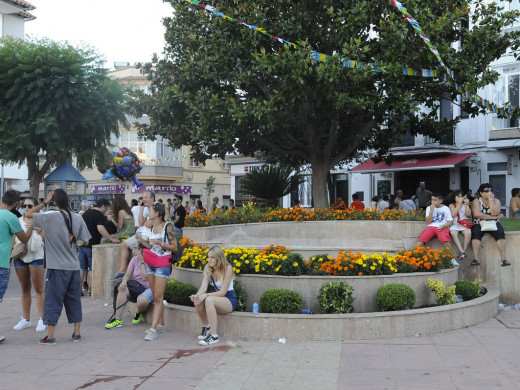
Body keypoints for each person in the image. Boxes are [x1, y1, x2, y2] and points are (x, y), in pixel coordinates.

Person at [26, 189, 91, 345]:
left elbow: (29, 214)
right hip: (74, 267)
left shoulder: (50, 217)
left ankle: (51, 336)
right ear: (68, 200)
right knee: (74, 299)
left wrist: (44, 202)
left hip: (57, 267)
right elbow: (87, 241)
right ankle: (76, 333)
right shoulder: (77, 218)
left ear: (54, 201)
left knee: (53, 300)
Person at [135, 202, 176, 341]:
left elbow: (174, 247)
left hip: (163, 264)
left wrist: (161, 243)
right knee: (157, 296)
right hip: (152, 262)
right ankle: (161, 324)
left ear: (157, 213)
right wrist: (141, 240)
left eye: (150, 211)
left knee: (158, 297)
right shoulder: (153, 226)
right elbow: (151, 247)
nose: (148, 213)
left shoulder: (167, 226)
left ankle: (153, 329)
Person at [0, 189, 35, 344]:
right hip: (2, 264)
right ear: (15, 204)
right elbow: (24, 239)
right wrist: (32, 226)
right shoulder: (10, 217)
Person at [190, 246, 238, 346]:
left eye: (212, 257)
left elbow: (223, 292)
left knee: (208, 300)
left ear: (218, 258)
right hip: (215, 297)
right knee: (198, 300)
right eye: (208, 257)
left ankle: (214, 335)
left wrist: (206, 295)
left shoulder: (227, 269)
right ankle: (206, 327)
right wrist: (198, 295)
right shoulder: (208, 267)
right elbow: (204, 285)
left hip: (228, 300)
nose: (209, 260)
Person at [12, 197, 46, 333]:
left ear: (36, 207)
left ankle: (42, 319)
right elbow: (13, 239)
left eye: (29, 205)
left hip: (36, 256)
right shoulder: (18, 221)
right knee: (25, 288)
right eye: (23, 205)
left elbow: (45, 239)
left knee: (39, 289)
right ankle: (26, 319)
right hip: (20, 256)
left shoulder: (41, 220)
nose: (26, 208)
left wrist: (37, 229)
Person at [105, 245, 153, 329]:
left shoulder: (151, 260)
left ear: (142, 250)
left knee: (141, 301)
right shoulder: (134, 259)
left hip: (150, 288)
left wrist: (141, 262)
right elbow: (127, 274)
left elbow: (144, 277)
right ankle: (118, 319)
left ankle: (139, 313)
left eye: (135, 248)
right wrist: (123, 282)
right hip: (138, 286)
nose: (133, 250)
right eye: (133, 247)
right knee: (122, 288)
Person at [112, 191, 155, 280]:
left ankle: (126, 272)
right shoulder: (146, 208)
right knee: (128, 247)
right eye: (143, 197)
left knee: (129, 248)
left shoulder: (155, 208)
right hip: (142, 233)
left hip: (149, 235)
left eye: (146, 197)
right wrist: (141, 210)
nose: (143, 199)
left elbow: (147, 225)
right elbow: (140, 223)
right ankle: (125, 271)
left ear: (152, 198)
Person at [80, 198, 118, 295]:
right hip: (92, 246)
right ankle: (90, 290)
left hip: (81, 244)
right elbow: (100, 229)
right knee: (92, 268)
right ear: (103, 206)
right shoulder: (99, 215)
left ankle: (78, 290)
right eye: (107, 208)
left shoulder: (86, 213)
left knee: (82, 268)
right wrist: (112, 239)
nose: (106, 210)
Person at [470, 183, 510, 267]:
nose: (489, 192)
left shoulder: (496, 200)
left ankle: (503, 259)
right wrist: (493, 217)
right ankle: (475, 259)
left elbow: (496, 212)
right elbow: (477, 214)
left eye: (490, 190)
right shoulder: (476, 201)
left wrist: (491, 200)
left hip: (494, 223)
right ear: (481, 193)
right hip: (479, 222)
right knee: (476, 233)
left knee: (500, 233)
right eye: (486, 191)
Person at [416, 194, 454, 262]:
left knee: (445, 240)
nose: (432, 202)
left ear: (441, 201)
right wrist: (431, 211)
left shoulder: (446, 208)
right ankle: (417, 258)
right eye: (432, 200)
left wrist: (444, 226)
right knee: (420, 241)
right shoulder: (429, 208)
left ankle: (450, 259)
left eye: (435, 200)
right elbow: (428, 222)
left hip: (442, 227)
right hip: (431, 227)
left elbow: (450, 222)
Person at [449, 190, 472, 261]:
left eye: (461, 196)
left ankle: (463, 252)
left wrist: (467, 205)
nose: (460, 198)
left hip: (464, 223)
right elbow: (453, 214)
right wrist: (459, 204)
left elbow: (468, 214)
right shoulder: (451, 205)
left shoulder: (465, 204)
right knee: (453, 233)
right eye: (458, 196)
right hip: (455, 223)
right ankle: (461, 251)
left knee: (468, 233)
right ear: (454, 197)